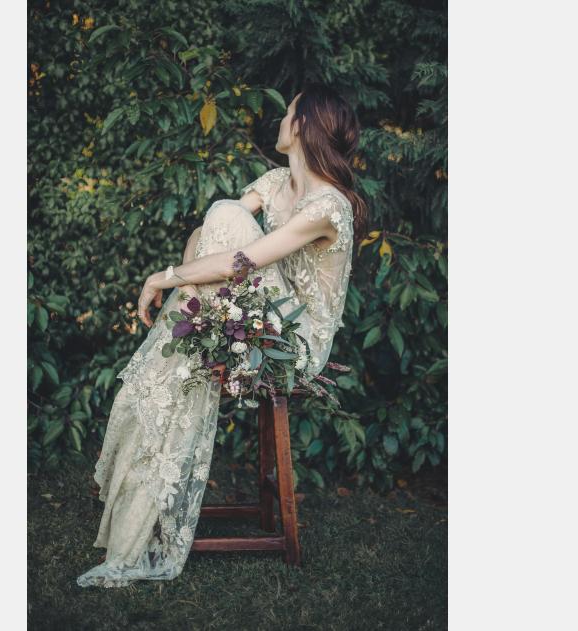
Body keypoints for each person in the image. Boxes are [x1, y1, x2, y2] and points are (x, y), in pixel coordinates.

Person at [76, 83, 367, 588]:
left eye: (288, 112)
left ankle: (175, 359)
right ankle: (184, 347)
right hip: (249, 315)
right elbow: (208, 235)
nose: (280, 120)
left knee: (228, 216)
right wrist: (189, 280)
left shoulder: (329, 206)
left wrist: (166, 278)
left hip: (291, 344)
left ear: (302, 126)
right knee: (224, 213)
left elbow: (241, 260)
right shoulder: (275, 182)